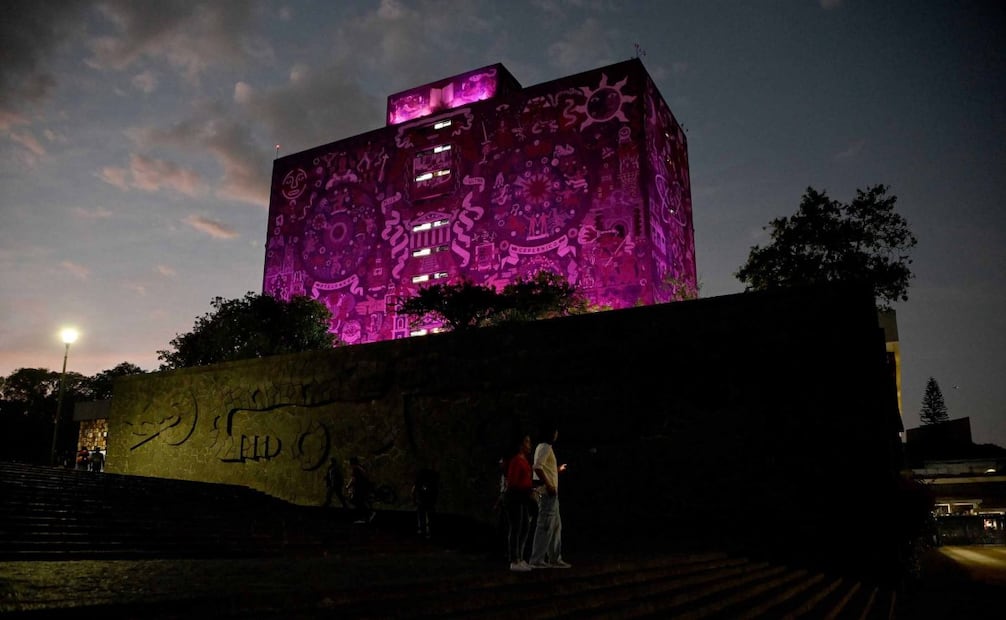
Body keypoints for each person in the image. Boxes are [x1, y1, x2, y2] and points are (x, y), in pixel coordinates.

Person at [529, 423, 570, 569]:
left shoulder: (545, 448)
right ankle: (537, 559)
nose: (557, 435)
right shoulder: (545, 447)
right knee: (545, 525)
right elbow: (537, 467)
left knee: (555, 526)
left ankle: (554, 558)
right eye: (555, 432)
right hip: (548, 493)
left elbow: (543, 468)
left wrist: (556, 470)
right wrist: (549, 485)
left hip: (551, 494)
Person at [505, 434, 536, 572]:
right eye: (527, 442)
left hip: (523, 498)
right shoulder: (516, 461)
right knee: (516, 527)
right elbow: (512, 482)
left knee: (524, 526)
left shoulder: (525, 461)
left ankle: (520, 557)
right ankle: (514, 560)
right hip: (515, 497)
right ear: (520, 445)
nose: (530, 445)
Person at [411, 460, 440, 539]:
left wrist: (414, 499)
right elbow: (414, 489)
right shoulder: (430, 479)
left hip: (425, 500)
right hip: (425, 500)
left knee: (425, 515)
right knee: (426, 515)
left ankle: (425, 531)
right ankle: (425, 531)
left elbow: (414, 490)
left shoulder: (426, 479)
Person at [346, 456, 375, 524]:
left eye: (350, 463)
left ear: (352, 463)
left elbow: (353, 479)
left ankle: (368, 515)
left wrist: (348, 486)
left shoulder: (355, 469)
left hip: (359, 489)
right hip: (364, 488)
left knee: (356, 501)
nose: (349, 464)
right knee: (360, 502)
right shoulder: (361, 467)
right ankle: (367, 516)